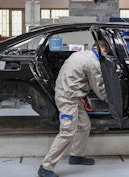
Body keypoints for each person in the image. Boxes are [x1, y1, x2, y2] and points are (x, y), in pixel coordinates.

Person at [38, 40, 110, 177]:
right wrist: (111, 100)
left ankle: (76, 156)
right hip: (67, 99)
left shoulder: (79, 55)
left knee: (84, 125)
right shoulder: (93, 63)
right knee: (67, 132)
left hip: (70, 96)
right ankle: (46, 166)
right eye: (106, 54)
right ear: (103, 50)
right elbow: (99, 87)